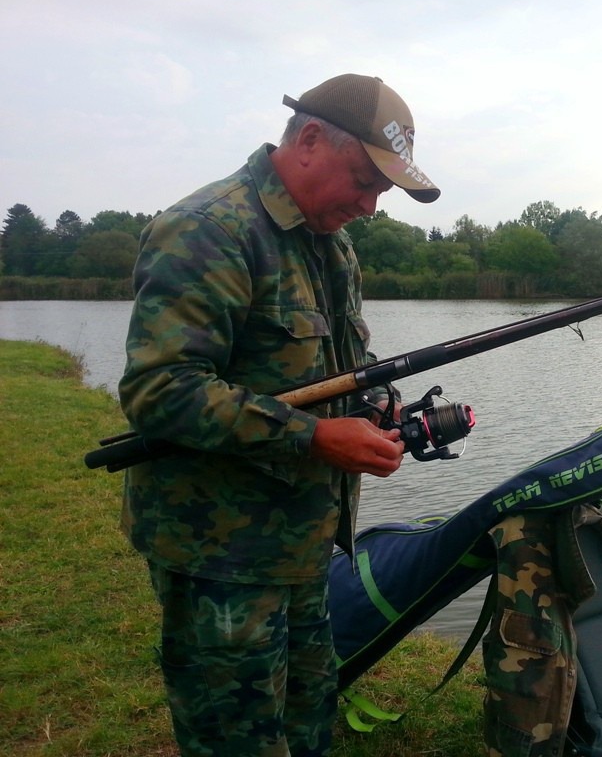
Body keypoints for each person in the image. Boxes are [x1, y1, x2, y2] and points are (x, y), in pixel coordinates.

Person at [118, 73, 440, 757]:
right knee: (236, 739)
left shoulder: (332, 242)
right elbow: (160, 389)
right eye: (364, 181)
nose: (371, 205)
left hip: (303, 542)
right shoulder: (209, 229)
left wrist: (374, 406)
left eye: (383, 190)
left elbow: (340, 364)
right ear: (310, 140)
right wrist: (316, 437)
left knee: (307, 724)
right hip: (220, 553)